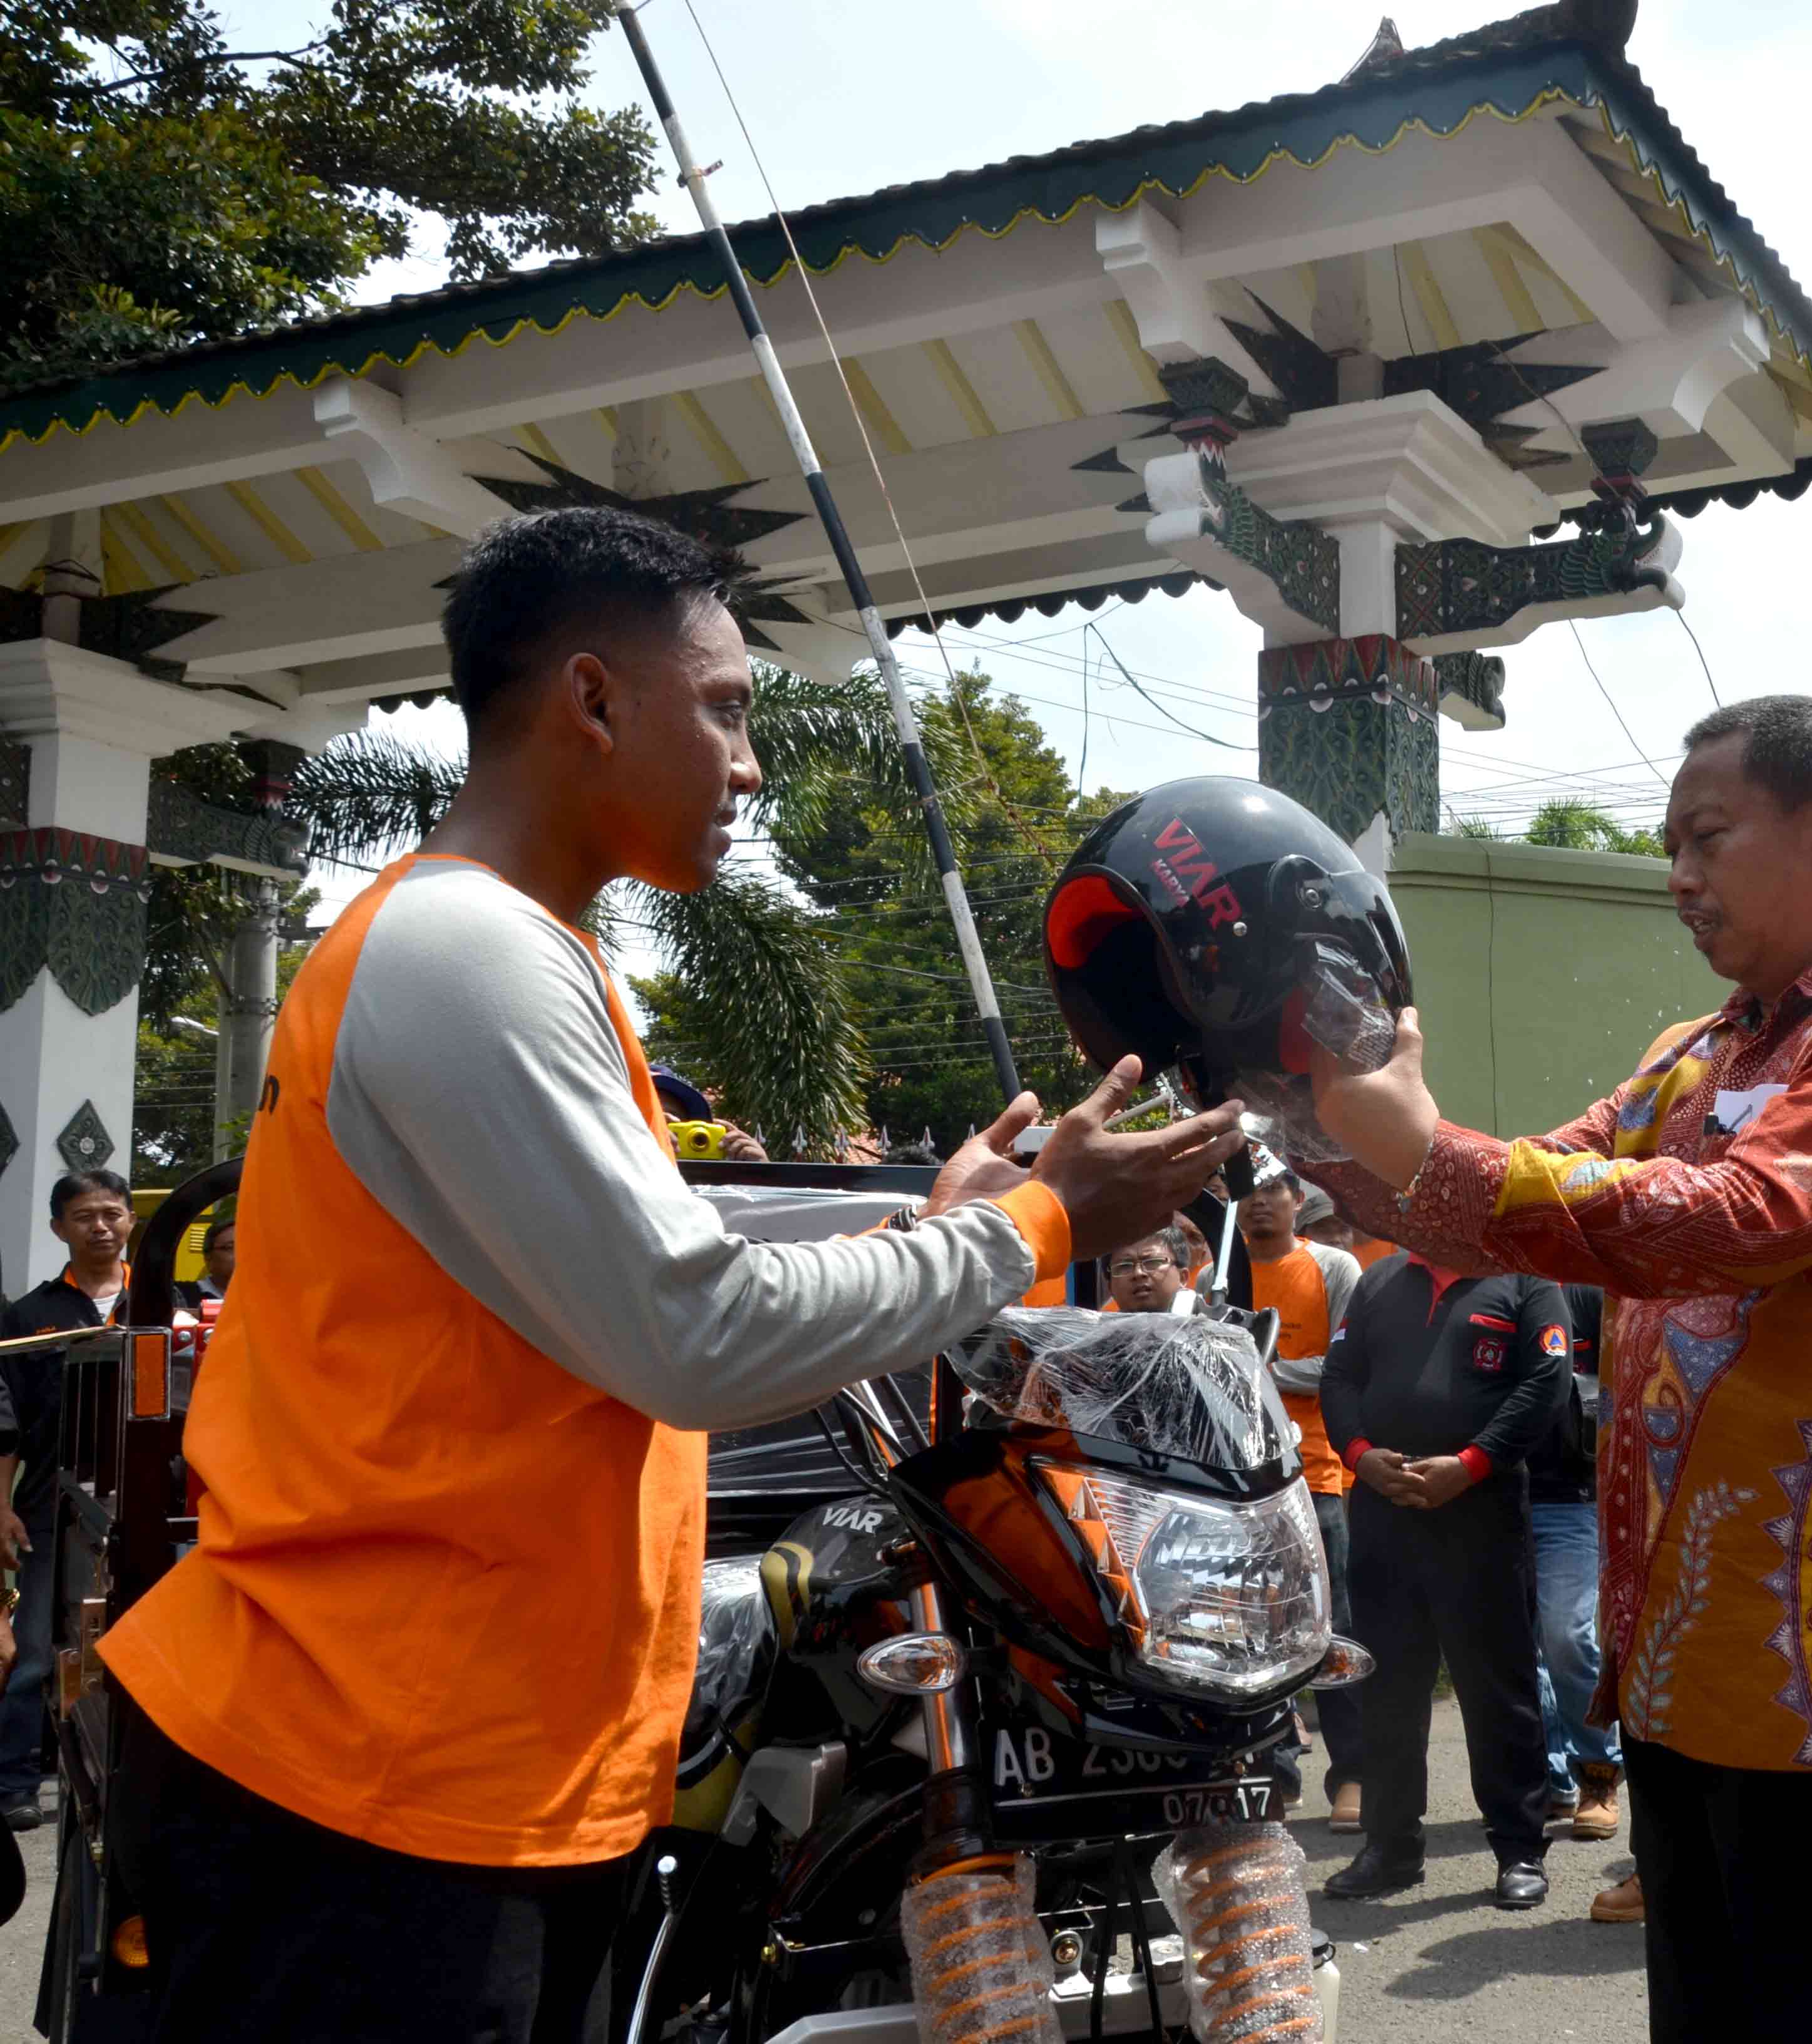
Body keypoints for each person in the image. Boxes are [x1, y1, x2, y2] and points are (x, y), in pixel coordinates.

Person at [86, 507, 1243, 2044]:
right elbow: (687, 1333)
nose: (751, 762)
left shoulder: (513, 951)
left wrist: (931, 1228)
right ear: (591, 698)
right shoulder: (463, 953)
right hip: (364, 1776)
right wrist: (1030, 1230)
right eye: (726, 706)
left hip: (453, 1768)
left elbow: (641, 1277)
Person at [1308, 694, 1812, 2044]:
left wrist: (1431, 1150)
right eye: (1669, 844)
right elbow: (1490, 1206)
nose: (1676, 878)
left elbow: (1744, 1221)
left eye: (1705, 837)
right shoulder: (1693, 1054)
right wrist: (1312, 1109)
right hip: (1688, 1648)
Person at [1317, 1257, 1571, 1907]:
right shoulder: (1379, 1283)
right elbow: (1340, 1378)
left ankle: (1518, 1848)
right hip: (1384, 1509)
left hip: (1479, 1512)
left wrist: (1471, 1462)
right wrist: (1358, 1457)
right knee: (1389, 1687)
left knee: (1497, 1688)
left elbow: (1546, 1382)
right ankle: (1390, 1845)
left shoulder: (1527, 1284)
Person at [0, 1167, 131, 1830]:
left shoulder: (172, 1303)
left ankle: (131, 1774)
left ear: (131, 1220)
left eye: (112, 1212)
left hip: (143, 1503)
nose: (101, 1226)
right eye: (85, 1216)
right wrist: (2, 1506)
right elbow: (8, 1427)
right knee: (33, 1649)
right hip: (53, 1507)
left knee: (137, 1642)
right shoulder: (32, 1316)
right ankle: (16, 1779)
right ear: (59, 1228)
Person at [1237, 1164, 1367, 1828]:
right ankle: (1272, 1776)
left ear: (1296, 1200)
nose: (1258, 1205)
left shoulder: (1335, 1268)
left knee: (1331, 1626)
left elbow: (1346, 1365)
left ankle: (1353, 1775)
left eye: (1270, 1191)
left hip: (1316, 1475)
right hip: (1239, 1483)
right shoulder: (1215, 1277)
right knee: (1254, 1635)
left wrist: (1259, 1370)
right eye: (1246, 1193)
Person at [1529, 1284, 1624, 1847]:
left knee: (1566, 1636)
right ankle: (1550, 1775)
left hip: (1571, 1497)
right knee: (1516, 1649)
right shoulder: (1486, 1286)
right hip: (1487, 1491)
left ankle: (1598, 1775)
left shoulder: (1586, 1293)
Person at [1103, 1229, 1194, 1314]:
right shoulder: (1096, 1330)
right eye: (1125, 1266)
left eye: (1153, 1262)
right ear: (1110, 1287)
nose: (1138, 1273)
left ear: (1182, 1277)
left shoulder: (1203, 1328)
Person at [178, 1216, 236, 1315]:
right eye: (230, 1247)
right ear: (208, 1258)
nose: (242, 1253)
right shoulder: (181, 1295)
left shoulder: (267, 1296)